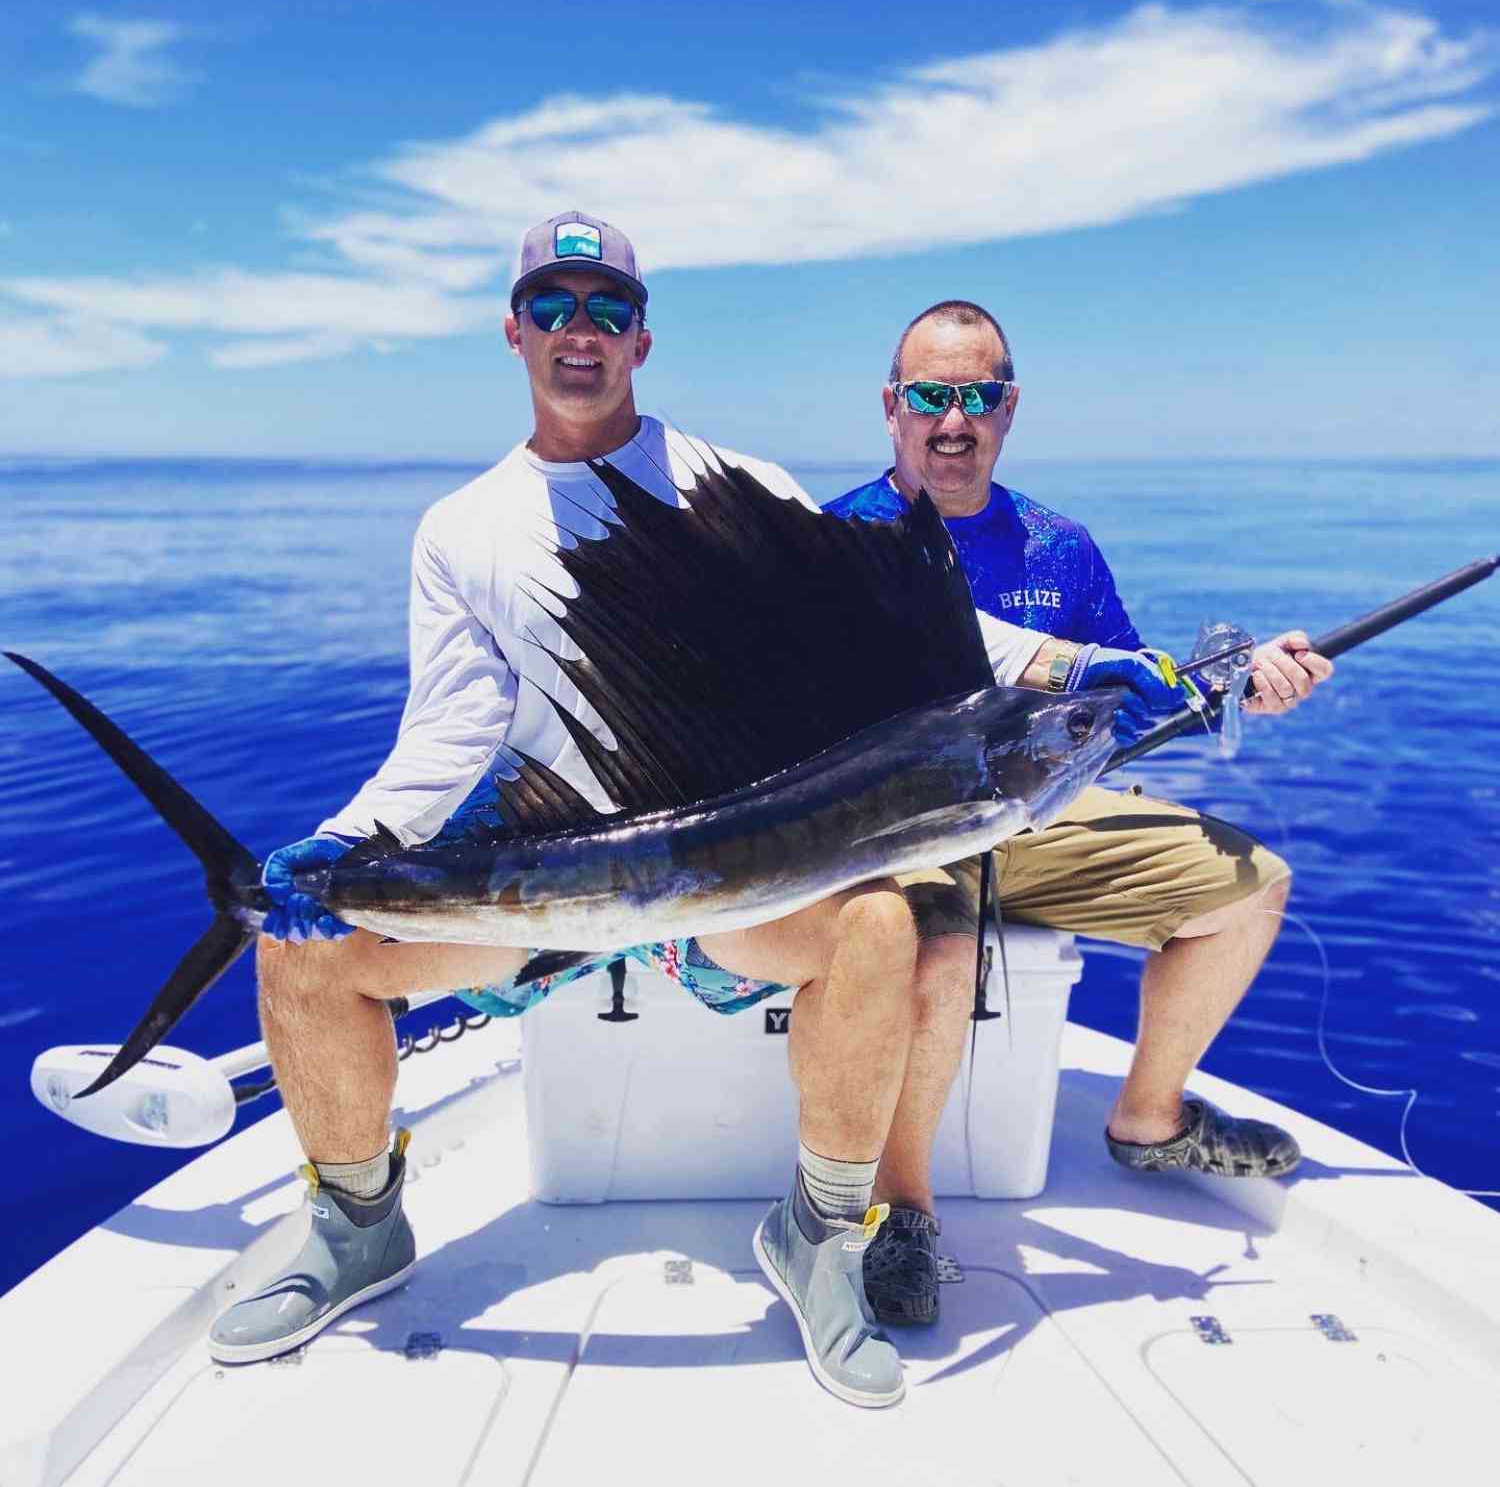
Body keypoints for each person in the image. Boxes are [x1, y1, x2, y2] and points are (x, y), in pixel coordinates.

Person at [207, 221, 1166, 1409]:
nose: (579, 331)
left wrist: (1071, 668)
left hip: (736, 889)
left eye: (606, 309)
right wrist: (348, 844)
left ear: (641, 339)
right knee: (302, 960)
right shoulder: (461, 529)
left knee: (877, 927)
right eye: (553, 306)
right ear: (514, 331)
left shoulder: (731, 484)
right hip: (555, 880)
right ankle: (357, 1224)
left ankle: (818, 1238)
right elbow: (452, 733)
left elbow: (904, 646)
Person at [824, 300, 1333, 1328]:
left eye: (977, 396)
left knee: (1251, 891)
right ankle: (903, 1208)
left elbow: (1136, 706)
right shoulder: (842, 541)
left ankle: (1149, 1119)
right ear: (892, 407)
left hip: (1040, 816)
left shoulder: (1063, 547)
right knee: (940, 951)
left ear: (1010, 409)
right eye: (932, 395)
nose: (953, 419)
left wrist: (1242, 684)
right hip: (899, 830)